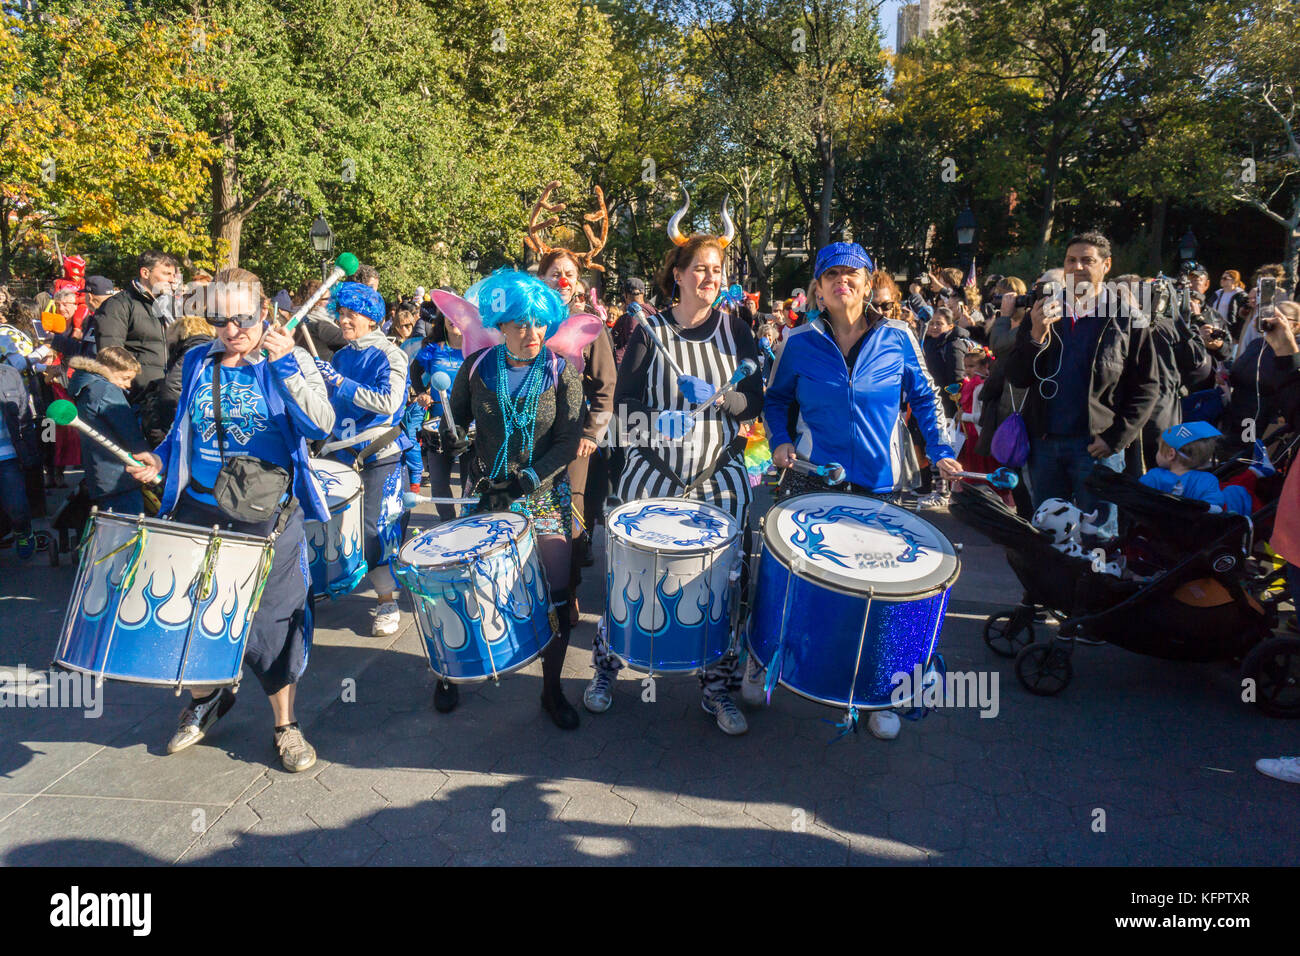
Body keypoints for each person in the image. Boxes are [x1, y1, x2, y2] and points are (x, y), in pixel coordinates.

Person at [125, 267, 335, 773]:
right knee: (194, 611)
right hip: (200, 506)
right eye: (218, 317)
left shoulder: (291, 357)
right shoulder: (198, 359)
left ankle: (285, 725)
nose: (231, 328)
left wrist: (285, 368)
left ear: (264, 311)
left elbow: (319, 425)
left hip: (266, 515)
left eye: (242, 316)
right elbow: (182, 431)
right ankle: (209, 698)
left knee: (272, 620)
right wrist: (158, 459)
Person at [761, 241, 960, 738]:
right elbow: (776, 400)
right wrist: (781, 440)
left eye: (852, 274)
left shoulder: (897, 337)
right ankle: (770, 660)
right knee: (798, 579)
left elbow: (926, 398)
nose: (841, 281)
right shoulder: (799, 342)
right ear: (818, 289)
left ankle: (879, 695)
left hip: (879, 486)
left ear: (869, 284)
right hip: (811, 480)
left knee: (880, 594)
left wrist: (940, 451)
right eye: (831, 275)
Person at [587, 197, 763, 736]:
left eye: (717, 270)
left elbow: (753, 400)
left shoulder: (736, 331)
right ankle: (605, 670)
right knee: (633, 579)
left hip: (719, 480)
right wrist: (657, 418)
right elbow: (623, 405)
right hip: (653, 476)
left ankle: (717, 689)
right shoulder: (648, 329)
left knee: (721, 586)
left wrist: (723, 401)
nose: (710, 277)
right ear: (679, 275)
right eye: (700, 269)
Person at [440, 269, 585, 729]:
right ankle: (451, 673)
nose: (532, 333)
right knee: (466, 589)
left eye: (539, 323)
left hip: (542, 496)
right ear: (501, 325)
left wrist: (528, 481)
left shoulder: (562, 372)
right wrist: (445, 434)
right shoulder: (478, 367)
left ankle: (551, 689)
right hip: (487, 494)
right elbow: (455, 422)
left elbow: (568, 441)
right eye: (521, 324)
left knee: (559, 595)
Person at [1004, 233, 1159, 514]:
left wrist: (1115, 438)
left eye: (1086, 260)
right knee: (1049, 530)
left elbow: (1147, 386)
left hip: (1095, 447)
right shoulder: (1042, 311)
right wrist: (1036, 334)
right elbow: (1017, 376)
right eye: (1070, 260)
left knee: (1099, 534)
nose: (1077, 268)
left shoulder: (1127, 318)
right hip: (1045, 444)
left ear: (1106, 265)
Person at [316, 282, 412, 637]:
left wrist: (340, 383)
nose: (343, 320)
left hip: (379, 455)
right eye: (340, 314)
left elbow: (390, 402)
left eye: (350, 314)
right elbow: (329, 406)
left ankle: (387, 601)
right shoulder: (340, 356)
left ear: (371, 319)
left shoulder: (391, 354)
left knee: (376, 531)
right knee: (330, 525)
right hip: (340, 454)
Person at [536, 247, 616, 626]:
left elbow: (605, 384)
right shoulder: (528, 319)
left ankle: (567, 593)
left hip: (575, 440)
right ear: (542, 278)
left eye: (569, 272)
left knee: (572, 514)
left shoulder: (588, 324)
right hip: (531, 438)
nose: (562, 280)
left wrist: (592, 433)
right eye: (554, 273)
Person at [67, 347, 150, 515]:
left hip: (101, 475)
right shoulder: (106, 391)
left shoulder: (85, 385)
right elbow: (129, 433)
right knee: (128, 534)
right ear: (109, 370)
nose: (127, 385)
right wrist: (148, 459)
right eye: (125, 378)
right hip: (120, 478)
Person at [94, 250, 177, 398]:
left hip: (169, 394)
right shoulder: (118, 305)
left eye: (174, 274)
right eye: (166, 274)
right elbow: (111, 356)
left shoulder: (170, 306)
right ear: (145, 273)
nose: (172, 280)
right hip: (136, 396)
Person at [410, 313, 466, 521]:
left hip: (470, 425)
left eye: (458, 315)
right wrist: (421, 393)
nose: (454, 319)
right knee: (439, 485)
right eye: (448, 316)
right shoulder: (434, 350)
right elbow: (414, 372)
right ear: (442, 321)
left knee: (470, 482)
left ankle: (468, 524)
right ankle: (448, 524)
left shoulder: (475, 349)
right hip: (437, 425)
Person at [1138, 421, 1250, 515]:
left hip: (1157, 528)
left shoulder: (1154, 476)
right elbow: (1214, 508)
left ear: (1171, 454)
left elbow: (1138, 499)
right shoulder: (1208, 480)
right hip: (1192, 533)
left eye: (1159, 449)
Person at [0, 352, 39, 560]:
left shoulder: (10, 374)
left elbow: (25, 417)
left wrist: (31, 453)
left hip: (8, 455)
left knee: (17, 506)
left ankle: (23, 531)